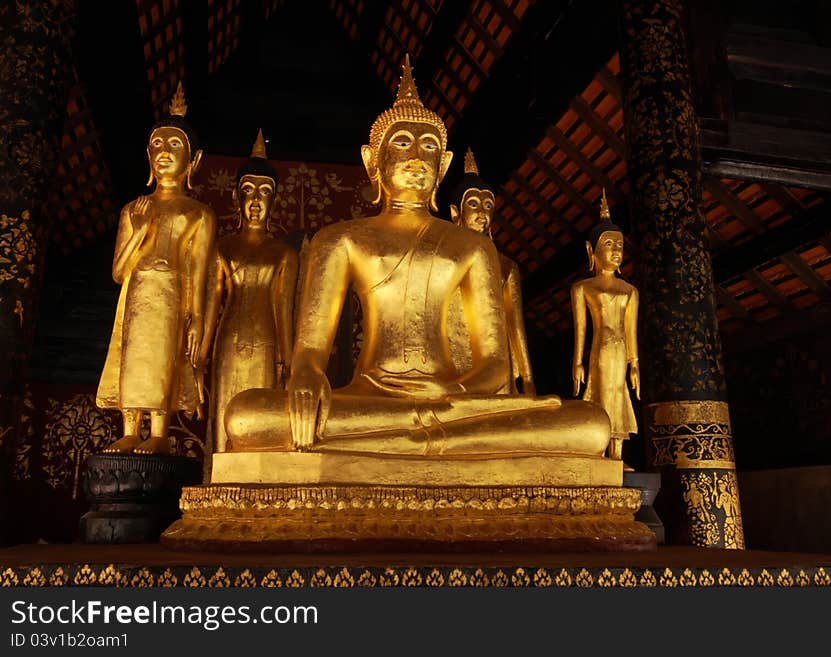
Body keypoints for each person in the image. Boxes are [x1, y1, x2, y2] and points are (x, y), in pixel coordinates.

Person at [224, 56, 610, 457]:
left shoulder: (474, 247)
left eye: (429, 146)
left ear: (442, 165)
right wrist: (306, 377)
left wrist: (453, 391)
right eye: (402, 142)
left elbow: (495, 363)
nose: (416, 157)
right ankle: (421, 442)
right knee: (246, 415)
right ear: (372, 160)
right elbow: (309, 350)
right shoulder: (340, 240)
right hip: (368, 400)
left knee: (591, 424)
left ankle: (401, 443)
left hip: (450, 402)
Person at [97, 84, 216, 454]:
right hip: (137, 292)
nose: (164, 152)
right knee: (133, 354)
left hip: (172, 293)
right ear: (148, 156)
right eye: (157, 145)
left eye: (175, 145)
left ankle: (160, 432)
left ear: (193, 161)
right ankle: (131, 427)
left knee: (166, 355)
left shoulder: (198, 213)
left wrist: (197, 316)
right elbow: (118, 271)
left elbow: (199, 269)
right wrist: (140, 232)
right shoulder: (133, 210)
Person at [201, 130, 298, 455]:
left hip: (267, 342)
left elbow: (283, 310)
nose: (256, 200)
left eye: (265, 191)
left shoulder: (283, 253)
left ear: (275, 199)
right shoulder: (223, 248)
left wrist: (288, 362)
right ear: (235, 197)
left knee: (261, 413)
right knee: (225, 412)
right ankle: (216, 475)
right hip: (229, 340)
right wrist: (198, 357)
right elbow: (212, 306)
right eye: (248, 190)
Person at [448, 148, 535, 395]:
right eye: (473, 204)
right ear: (456, 212)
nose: (482, 213)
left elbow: (515, 324)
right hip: (454, 362)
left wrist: (528, 379)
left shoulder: (506, 265)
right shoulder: (443, 259)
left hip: (498, 366)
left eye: (488, 206)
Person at [571, 191, 640, 461]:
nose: (615, 251)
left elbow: (630, 329)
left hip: (621, 352)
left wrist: (635, 363)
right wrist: (577, 362)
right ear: (592, 250)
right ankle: (598, 451)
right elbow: (581, 330)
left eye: (620, 246)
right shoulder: (584, 288)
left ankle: (618, 455)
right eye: (609, 244)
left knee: (619, 394)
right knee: (600, 393)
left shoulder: (630, 291)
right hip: (599, 350)